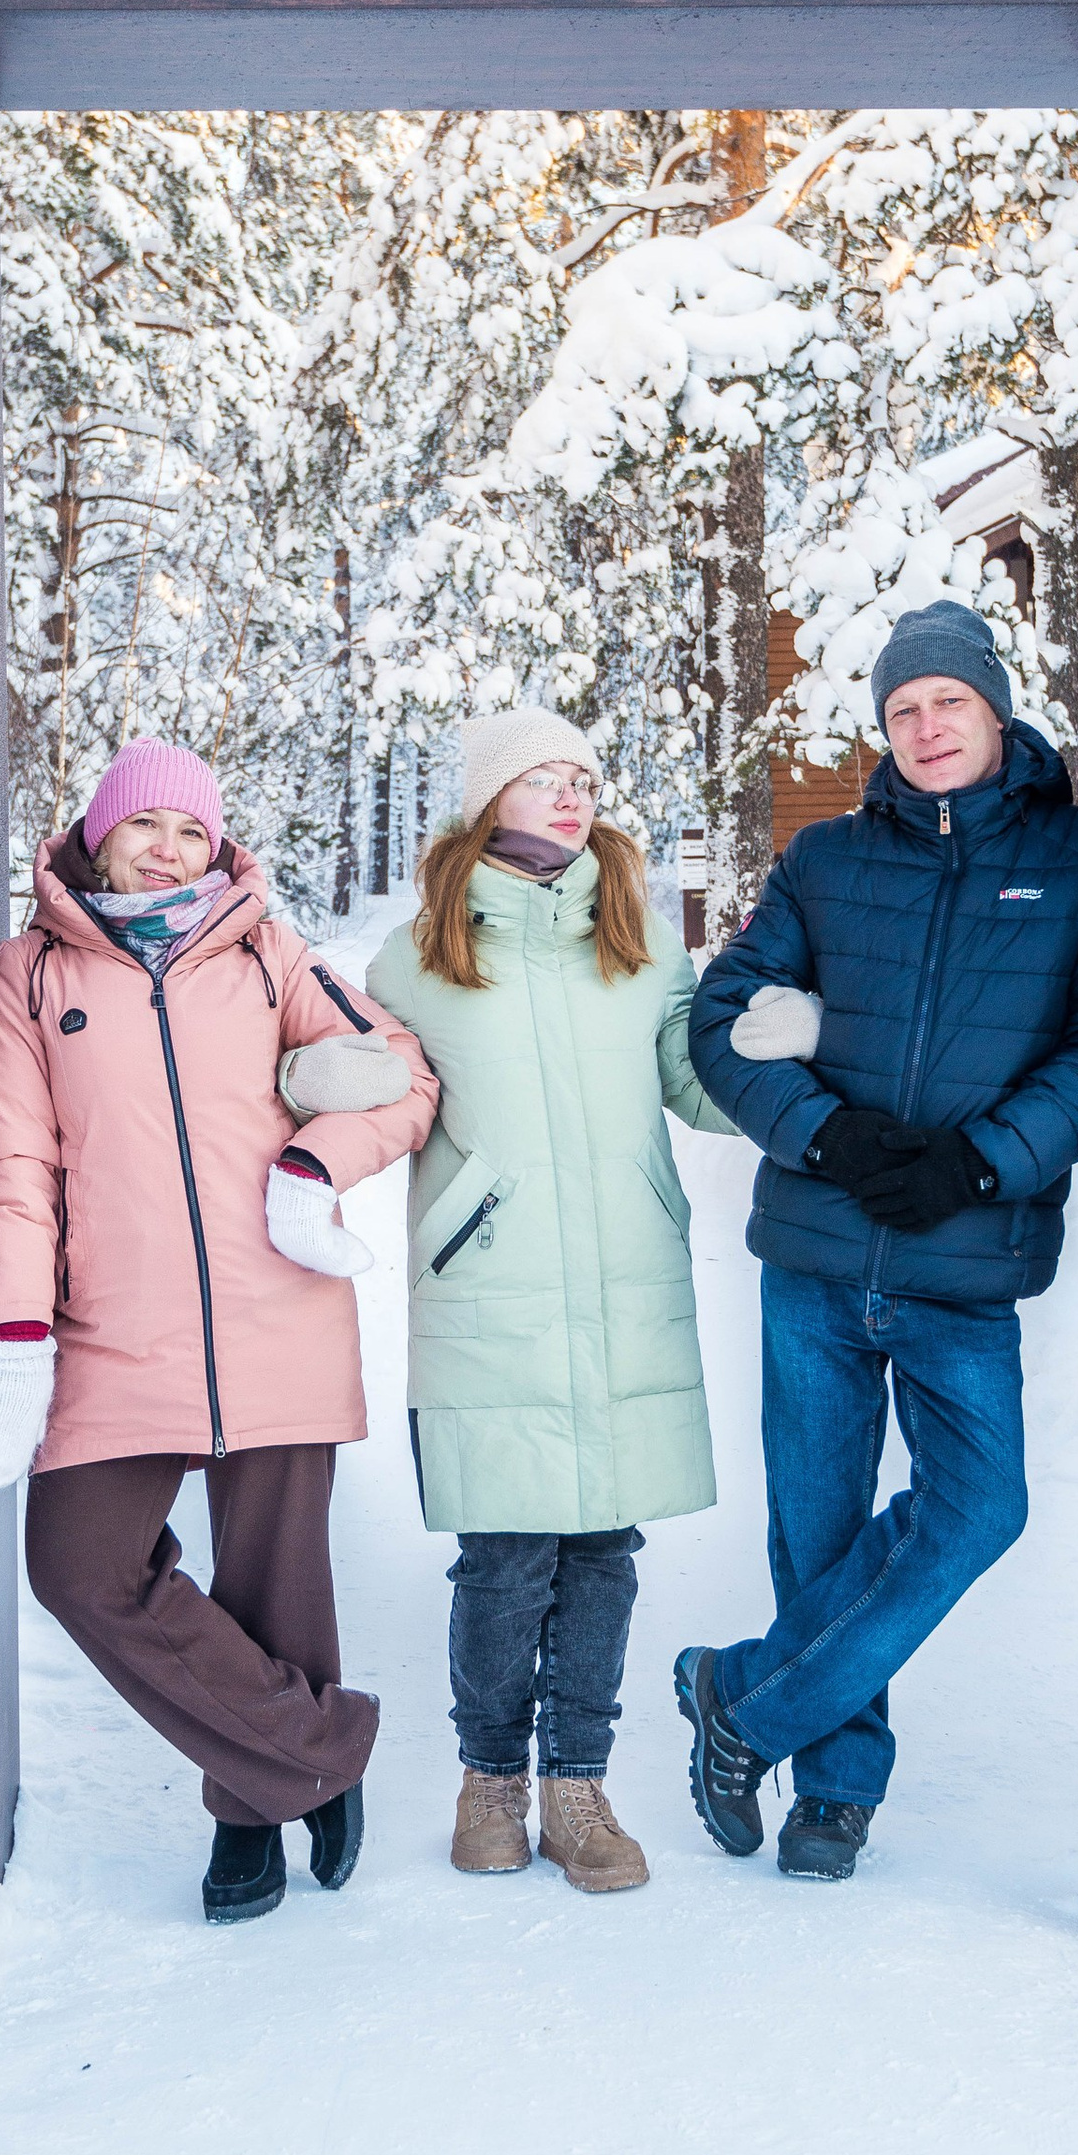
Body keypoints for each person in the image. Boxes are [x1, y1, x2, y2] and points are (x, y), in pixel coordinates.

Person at [680, 599, 1078, 1882]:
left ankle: (742, 1700)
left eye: (947, 702)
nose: (927, 727)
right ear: (882, 728)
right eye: (902, 710)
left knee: (978, 1504)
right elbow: (722, 1018)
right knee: (818, 1532)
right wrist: (826, 1140)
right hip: (817, 1256)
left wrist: (981, 1158)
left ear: (996, 711)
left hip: (966, 1256)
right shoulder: (824, 861)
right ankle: (836, 1786)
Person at [0, 736, 438, 1927]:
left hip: (274, 1306)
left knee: (277, 1578)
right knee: (78, 1564)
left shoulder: (272, 956)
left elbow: (400, 1075)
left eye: (190, 830)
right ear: (99, 836)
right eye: (145, 827)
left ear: (217, 846)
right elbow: (15, 1166)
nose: (169, 848)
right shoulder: (29, 978)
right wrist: (17, 1333)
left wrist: (309, 1162)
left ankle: (247, 1814)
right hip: (112, 1330)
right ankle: (321, 1751)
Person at [360, 709, 732, 1894]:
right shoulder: (416, 956)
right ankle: (488, 1781)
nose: (571, 798)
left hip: (624, 1270)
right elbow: (384, 1095)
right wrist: (320, 1084)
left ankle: (578, 1787)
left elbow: (692, 1081)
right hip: (491, 1281)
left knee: (605, 1544)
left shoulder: (640, 941)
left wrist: (775, 1055)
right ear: (487, 800)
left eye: (583, 777)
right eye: (541, 779)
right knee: (505, 1549)